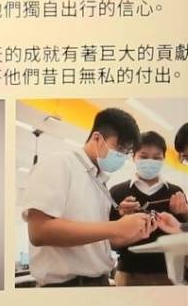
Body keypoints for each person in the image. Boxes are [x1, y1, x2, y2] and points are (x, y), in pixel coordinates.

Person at [19, 107, 161, 287]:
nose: (123, 156)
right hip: (66, 288)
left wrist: (133, 231)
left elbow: (100, 242)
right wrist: (116, 227)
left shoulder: (98, 180)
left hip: (99, 282)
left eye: (127, 152)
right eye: (120, 149)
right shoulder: (60, 163)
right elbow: (39, 231)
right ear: (97, 138)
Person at [109, 129, 188, 286]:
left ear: (164, 159)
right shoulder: (117, 192)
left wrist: (185, 213)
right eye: (144, 157)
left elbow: (184, 234)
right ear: (133, 157)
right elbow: (108, 240)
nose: (150, 162)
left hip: (169, 274)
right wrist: (123, 222)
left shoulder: (175, 192)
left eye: (156, 157)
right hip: (128, 273)